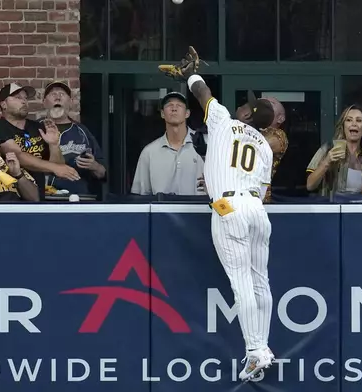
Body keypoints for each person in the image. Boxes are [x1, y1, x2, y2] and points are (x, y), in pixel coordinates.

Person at [162, 47, 275, 381]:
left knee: (242, 283)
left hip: (229, 207)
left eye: (247, 104)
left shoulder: (225, 121)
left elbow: (202, 93)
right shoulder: (266, 146)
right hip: (257, 209)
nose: (241, 104)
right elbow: (265, 190)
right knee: (260, 283)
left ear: (249, 113)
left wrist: (191, 76)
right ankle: (262, 347)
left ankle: (255, 351)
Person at [0, 83, 80, 200]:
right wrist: (54, 168)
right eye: (18, 98)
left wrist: (54, 144)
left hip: (36, 198)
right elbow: (17, 155)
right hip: (8, 198)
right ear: (3, 104)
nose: (24, 101)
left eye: (25, 98)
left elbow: (57, 166)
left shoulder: (38, 127)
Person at [131, 91, 205, 195]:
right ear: (162, 113)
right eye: (169, 105)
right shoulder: (149, 152)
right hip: (161, 210)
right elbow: (141, 195)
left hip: (199, 210)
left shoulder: (205, 146)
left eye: (179, 105)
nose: (174, 109)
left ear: (187, 113)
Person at [42, 81, 107, 196]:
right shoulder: (35, 129)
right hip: (44, 197)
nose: (57, 97)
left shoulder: (83, 132)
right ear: (44, 102)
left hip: (78, 197)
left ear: (71, 102)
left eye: (62, 94)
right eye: (53, 94)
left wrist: (94, 166)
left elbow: (103, 173)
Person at [306, 105, 362, 196]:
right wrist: (326, 162)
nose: (354, 124)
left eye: (358, 120)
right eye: (349, 120)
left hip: (359, 209)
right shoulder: (328, 148)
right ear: (343, 126)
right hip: (333, 208)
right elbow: (310, 185)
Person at [260, 96, 289, 203]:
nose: (265, 104)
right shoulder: (245, 128)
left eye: (271, 103)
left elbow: (255, 147)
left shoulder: (278, 135)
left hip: (259, 197)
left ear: (280, 118)